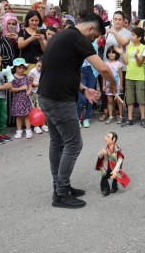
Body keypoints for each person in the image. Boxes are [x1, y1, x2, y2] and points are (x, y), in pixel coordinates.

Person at [39, 13, 116, 209]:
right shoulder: (78, 38)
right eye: (95, 36)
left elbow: (61, 70)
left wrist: (83, 89)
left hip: (48, 96)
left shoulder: (62, 35)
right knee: (74, 144)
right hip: (59, 100)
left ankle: (60, 186)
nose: (94, 40)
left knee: (57, 143)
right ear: (90, 29)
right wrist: (114, 86)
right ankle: (61, 193)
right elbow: (104, 70)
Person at [121, 27, 145, 127]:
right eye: (131, 35)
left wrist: (136, 56)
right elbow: (126, 62)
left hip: (139, 76)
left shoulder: (143, 47)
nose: (131, 37)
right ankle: (130, 119)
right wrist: (122, 53)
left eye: (133, 35)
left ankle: (143, 118)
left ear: (139, 37)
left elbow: (140, 63)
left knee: (141, 98)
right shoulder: (129, 46)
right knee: (129, 98)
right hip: (129, 75)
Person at [96, 132, 128, 196]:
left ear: (113, 140)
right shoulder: (106, 148)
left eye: (108, 137)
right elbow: (100, 157)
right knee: (104, 177)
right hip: (106, 166)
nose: (105, 138)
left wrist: (115, 170)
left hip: (114, 167)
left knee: (115, 177)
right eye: (106, 136)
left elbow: (120, 160)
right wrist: (101, 153)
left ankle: (114, 186)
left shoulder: (117, 151)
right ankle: (105, 190)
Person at [10, 58, 33, 139]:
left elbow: (30, 86)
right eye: (19, 67)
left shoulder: (26, 77)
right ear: (15, 68)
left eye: (23, 67)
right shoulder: (12, 77)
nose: (21, 69)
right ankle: (19, 131)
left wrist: (29, 91)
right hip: (17, 100)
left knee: (27, 115)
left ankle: (28, 130)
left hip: (26, 99)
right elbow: (11, 89)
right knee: (19, 116)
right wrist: (21, 88)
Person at [103, 46, 124, 124]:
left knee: (119, 101)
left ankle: (121, 116)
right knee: (109, 100)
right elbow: (104, 75)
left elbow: (121, 75)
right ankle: (110, 116)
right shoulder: (105, 63)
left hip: (117, 85)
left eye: (113, 53)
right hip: (108, 85)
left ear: (116, 54)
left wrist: (121, 85)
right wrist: (103, 85)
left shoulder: (119, 63)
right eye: (109, 52)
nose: (111, 54)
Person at [28, 57, 48, 134]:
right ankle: (36, 126)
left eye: (41, 67)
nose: (39, 68)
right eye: (38, 66)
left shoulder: (46, 71)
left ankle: (43, 124)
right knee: (35, 109)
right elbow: (29, 82)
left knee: (43, 109)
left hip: (43, 93)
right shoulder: (32, 72)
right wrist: (35, 84)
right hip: (34, 93)